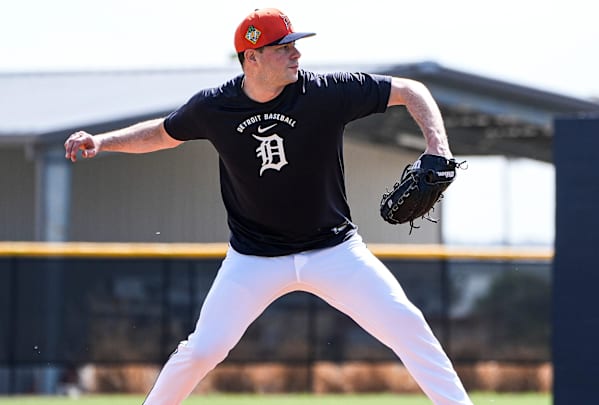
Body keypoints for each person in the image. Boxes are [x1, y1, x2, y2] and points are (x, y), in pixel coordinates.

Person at [63, 8, 472, 405]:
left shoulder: (324, 93)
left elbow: (410, 90)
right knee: (203, 350)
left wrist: (438, 145)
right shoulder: (215, 107)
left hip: (334, 250)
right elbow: (162, 133)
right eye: (284, 47)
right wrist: (102, 142)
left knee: (407, 326)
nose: (296, 54)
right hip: (253, 259)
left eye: (295, 45)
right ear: (252, 58)